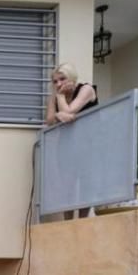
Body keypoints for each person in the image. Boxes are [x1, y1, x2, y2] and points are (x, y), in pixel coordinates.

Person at [46, 63, 98, 219]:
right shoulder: (54, 96)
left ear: (72, 78)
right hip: (67, 146)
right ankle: (68, 223)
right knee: (67, 187)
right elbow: (49, 120)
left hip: (89, 144)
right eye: (55, 81)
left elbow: (69, 111)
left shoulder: (86, 89)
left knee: (86, 186)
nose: (58, 84)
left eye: (62, 79)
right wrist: (58, 116)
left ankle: (82, 222)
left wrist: (61, 98)